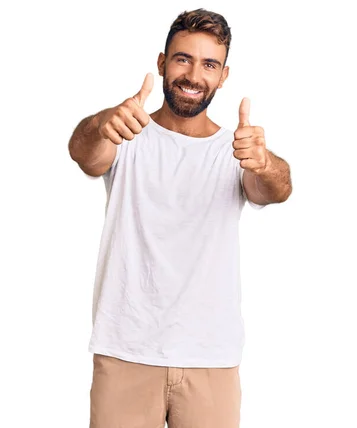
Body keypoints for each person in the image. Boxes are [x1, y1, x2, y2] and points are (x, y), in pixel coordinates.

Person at [68, 8, 292, 428]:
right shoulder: (126, 134)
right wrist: (100, 122)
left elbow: (274, 189)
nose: (193, 75)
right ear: (161, 63)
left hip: (211, 358)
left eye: (209, 64)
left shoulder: (237, 150)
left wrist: (263, 163)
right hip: (125, 352)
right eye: (182, 59)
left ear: (223, 76)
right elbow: (85, 155)